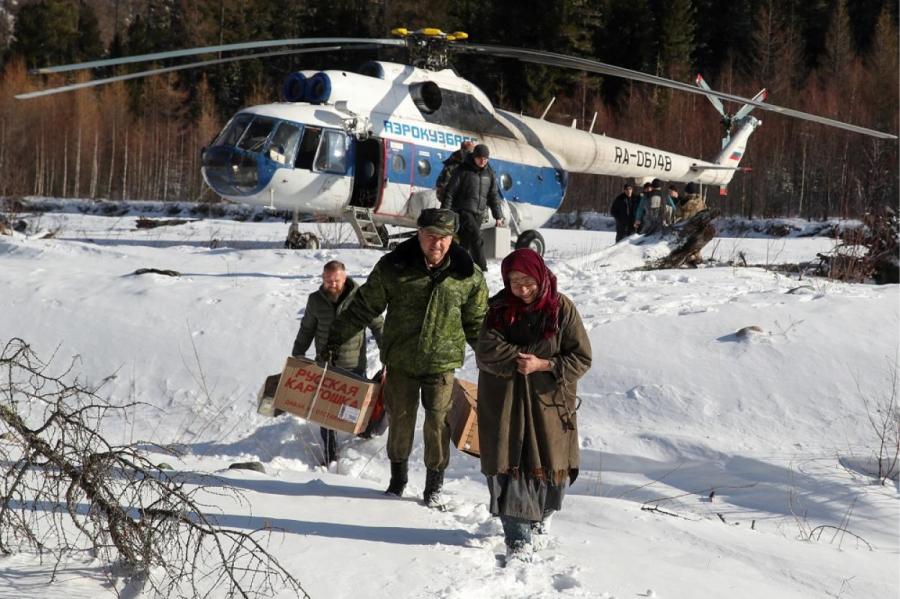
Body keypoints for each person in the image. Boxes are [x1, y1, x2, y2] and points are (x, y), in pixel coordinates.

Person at [326, 208, 489, 507]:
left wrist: (490, 360)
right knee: (400, 421)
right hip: (401, 361)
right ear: (419, 234)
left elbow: (477, 323)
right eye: (429, 236)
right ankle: (397, 480)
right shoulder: (395, 266)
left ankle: (434, 487)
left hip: (441, 365)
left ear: (452, 239)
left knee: (438, 424)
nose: (436, 244)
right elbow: (364, 305)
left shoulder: (468, 276)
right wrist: (334, 337)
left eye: (443, 238)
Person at [475, 248, 592, 563]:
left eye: (528, 282)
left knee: (550, 470)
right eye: (515, 282)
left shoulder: (561, 309)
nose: (523, 289)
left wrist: (543, 365)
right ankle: (517, 541)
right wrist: (519, 360)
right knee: (509, 468)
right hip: (506, 405)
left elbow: (581, 357)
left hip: (547, 405)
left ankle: (542, 518)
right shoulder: (498, 310)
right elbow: (486, 350)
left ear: (540, 277)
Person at [292, 260, 383, 464]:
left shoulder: (360, 298)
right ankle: (330, 454)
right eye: (328, 281)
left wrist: (386, 352)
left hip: (353, 366)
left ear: (345, 278)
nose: (332, 284)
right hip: (326, 365)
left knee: (356, 411)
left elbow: (378, 325)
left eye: (336, 281)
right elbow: (307, 329)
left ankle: (364, 436)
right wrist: (297, 355)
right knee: (325, 412)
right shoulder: (315, 301)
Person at [440, 143, 504, 271]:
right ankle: (482, 269)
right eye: (480, 158)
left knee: (465, 243)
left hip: (479, 213)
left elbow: (493, 195)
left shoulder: (489, 173)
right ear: (474, 157)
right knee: (477, 237)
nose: (482, 161)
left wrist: (498, 216)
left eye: (485, 159)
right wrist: (445, 212)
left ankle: (455, 267)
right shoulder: (462, 170)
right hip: (463, 211)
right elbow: (450, 192)